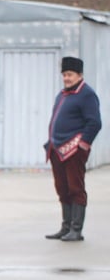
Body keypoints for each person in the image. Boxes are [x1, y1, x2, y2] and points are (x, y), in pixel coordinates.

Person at [44, 56, 102, 242]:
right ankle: (66, 227)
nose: (66, 78)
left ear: (79, 75)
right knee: (62, 188)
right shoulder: (62, 94)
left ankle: (76, 230)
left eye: (69, 74)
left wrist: (82, 145)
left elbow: (94, 122)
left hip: (73, 151)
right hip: (56, 149)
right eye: (64, 75)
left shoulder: (87, 94)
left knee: (76, 188)